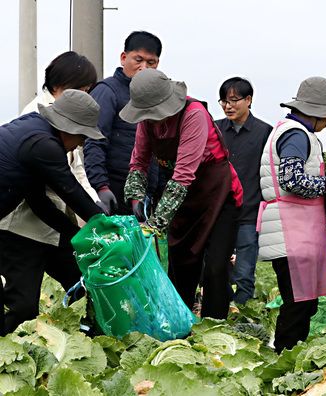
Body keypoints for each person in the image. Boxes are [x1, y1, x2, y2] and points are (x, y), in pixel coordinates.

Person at [121, 69, 243, 320]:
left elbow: (183, 175)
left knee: (216, 267)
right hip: (184, 200)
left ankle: (213, 325)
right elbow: (139, 163)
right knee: (181, 264)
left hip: (217, 194)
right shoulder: (147, 122)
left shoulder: (193, 114)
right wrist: (135, 198)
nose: (152, 119)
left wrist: (156, 224)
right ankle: (180, 323)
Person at [257, 77, 326, 353]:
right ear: (317, 112)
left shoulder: (292, 131)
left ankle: (289, 355)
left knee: (304, 302)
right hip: (291, 231)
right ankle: (285, 357)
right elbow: (292, 179)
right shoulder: (296, 135)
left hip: (293, 230)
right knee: (298, 303)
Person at [0, 89, 106, 334]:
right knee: (22, 307)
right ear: (69, 128)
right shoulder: (44, 145)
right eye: (82, 136)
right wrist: (102, 221)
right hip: (12, 232)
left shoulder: (31, 129)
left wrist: (73, 235)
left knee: (76, 279)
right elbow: (70, 190)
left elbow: (38, 201)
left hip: (22, 222)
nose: (81, 143)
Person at [84, 31, 162, 215]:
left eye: (151, 63)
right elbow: (94, 141)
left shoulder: (155, 98)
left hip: (144, 195)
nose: (144, 67)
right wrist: (101, 187)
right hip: (113, 191)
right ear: (123, 57)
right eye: (138, 60)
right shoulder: (107, 91)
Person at [215, 77, 272, 305]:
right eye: (224, 101)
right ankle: (219, 311)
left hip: (249, 213)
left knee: (244, 274)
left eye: (234, 100)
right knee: (216, 269)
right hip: (219, 213)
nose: (228, 106)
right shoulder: (216, 130)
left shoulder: (264, 133)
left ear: (248, 100)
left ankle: (242, 317)